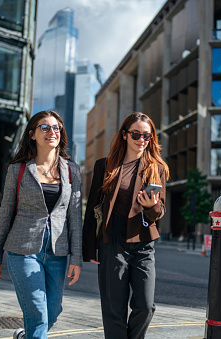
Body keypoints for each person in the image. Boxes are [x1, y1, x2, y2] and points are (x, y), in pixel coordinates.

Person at [0, 110, 82, 339]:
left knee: (53, 310)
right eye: (45, 127)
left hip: (58, 253)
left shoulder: (72, 171)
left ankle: (24, 336)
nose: (52, 132)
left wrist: (76, 259)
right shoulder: (18, 170)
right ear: (32, 134)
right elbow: (6, 214)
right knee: (38, 312)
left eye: (56, 128)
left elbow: (75, 218)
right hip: (22, 250)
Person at [83, 112, 169, 339]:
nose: (142, 140)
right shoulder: (105, 166)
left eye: (147, 136)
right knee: (114, 308)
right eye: (136, 134)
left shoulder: (156, 168)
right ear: (124, 135)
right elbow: (92, 207)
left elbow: (160, 212)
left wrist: (151, 206)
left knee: (146, 306)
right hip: (112, 241)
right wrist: (90, 247)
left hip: (143, 243)